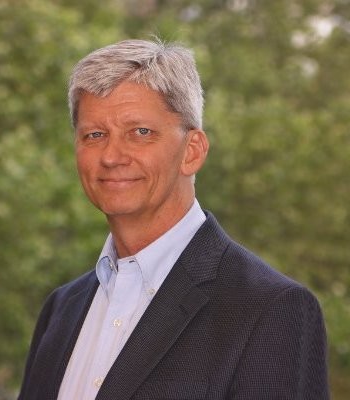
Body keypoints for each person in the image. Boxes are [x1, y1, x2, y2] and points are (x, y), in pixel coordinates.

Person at [18, 38, 329, 400]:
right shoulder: (61, 310)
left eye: (140, 132)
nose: (112, 156)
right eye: (95, 135)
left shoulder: (270, 310)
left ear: (192, 151)